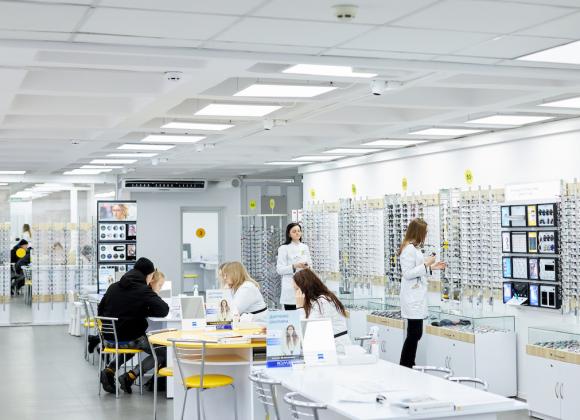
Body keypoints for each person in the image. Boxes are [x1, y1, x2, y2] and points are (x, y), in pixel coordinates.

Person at [97, 257, 169, 394]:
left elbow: (100, 310)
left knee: (129, 342)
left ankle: (109, 370)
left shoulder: (113, 287)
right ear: (149, 275)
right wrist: (150, 302)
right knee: (163, 352)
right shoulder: (142, 290)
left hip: (108, 339)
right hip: (130, 340)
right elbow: (164, 310)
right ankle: (130, 376)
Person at [398, 218, 446, 369]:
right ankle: (406, 365)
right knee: (414, 334)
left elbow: (417, 269)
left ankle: (408, 364)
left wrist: (432, 267)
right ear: (418, 232)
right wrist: (426, 264)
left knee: (415, 334)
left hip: (416, 297)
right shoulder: (409, 249)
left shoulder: (414, 248)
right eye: (424, 232)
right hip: (412, 298)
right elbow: (407, 273)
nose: (426, 235)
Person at [293, 269, 351, 348]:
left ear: (304, 287)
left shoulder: (323, 302)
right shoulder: (318, 300)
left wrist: (300, 307)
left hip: (337, 348)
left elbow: (308, 331)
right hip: (330, 345)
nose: (295, 293)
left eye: (297, 289)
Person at [276, 223, 312, 310]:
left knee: (305, 313)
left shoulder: (305, 247)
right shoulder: (283, 248)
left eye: (299, 231)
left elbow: (310, 265)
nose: (297, 233)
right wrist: (295, 266)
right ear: (289, 234)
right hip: (290, 287)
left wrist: (307, 267)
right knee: (291, 314)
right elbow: (280, 270)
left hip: (304, 285)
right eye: (294, 231)